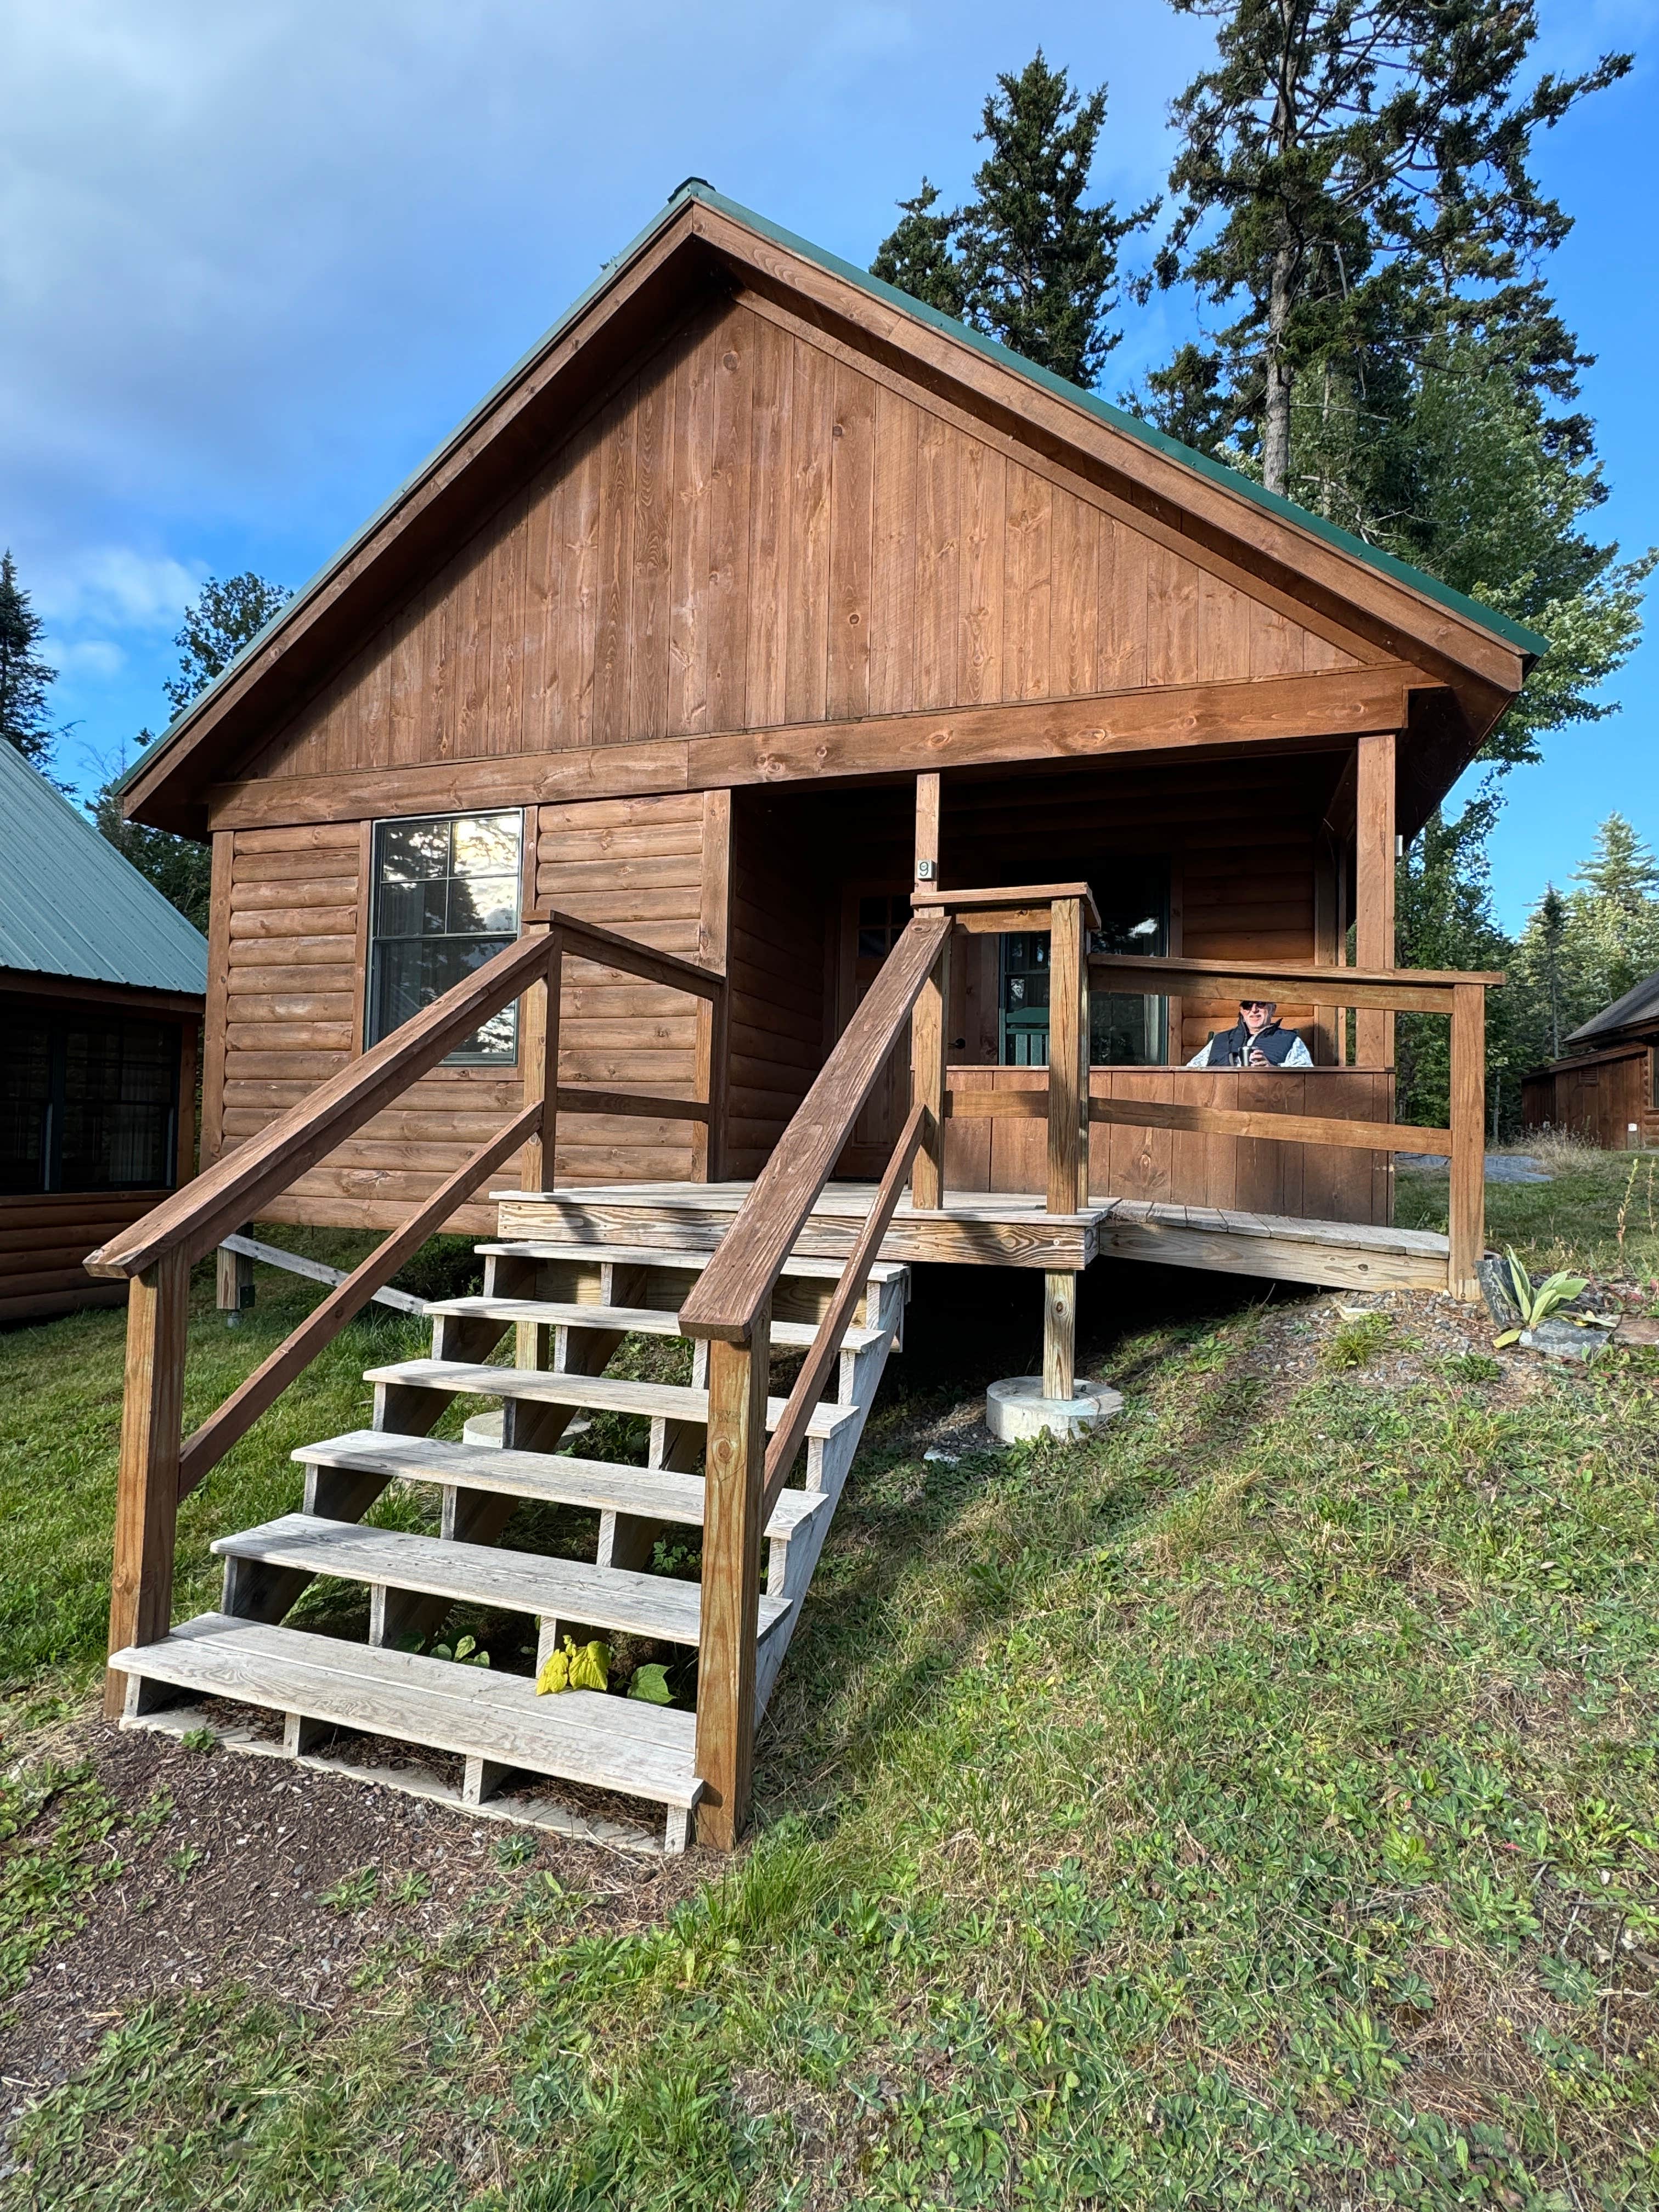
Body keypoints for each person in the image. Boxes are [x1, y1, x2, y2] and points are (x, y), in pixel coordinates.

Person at [1187, 998, 1312, 1068]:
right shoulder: (1220, 1040)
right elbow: (1191, 1071)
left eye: (1261, 1003)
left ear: (1273, 1009)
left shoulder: (1289, 1040)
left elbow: (1304, 1078)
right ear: (1242, 1011)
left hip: (1267, 1107)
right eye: (1248, 1005)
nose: (1254, 1010)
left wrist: (1274, 1070)